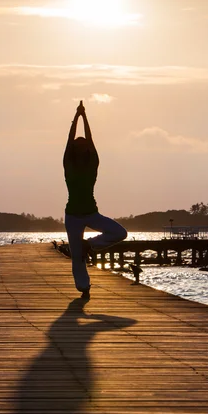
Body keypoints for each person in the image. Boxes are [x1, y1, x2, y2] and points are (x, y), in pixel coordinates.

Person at [63, 101, 127, 299]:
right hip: (73, 216)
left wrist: (82, 116)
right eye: (79, 146)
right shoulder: (70, 164)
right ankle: (84, 288)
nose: (82, 146)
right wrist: (78, 117)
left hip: (91, 213)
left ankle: (89, 245)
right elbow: (70, 139)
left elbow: (89, 139)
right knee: (76, 257)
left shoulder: (92, 164)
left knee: (120, 232)